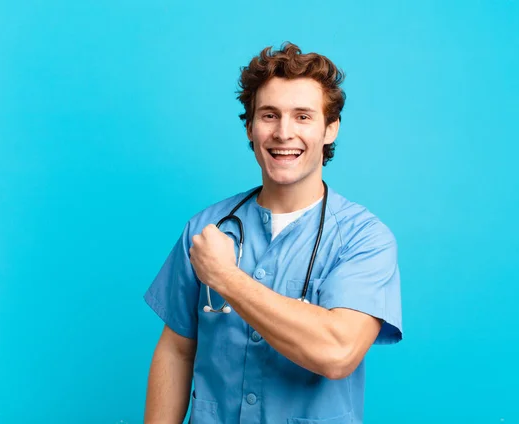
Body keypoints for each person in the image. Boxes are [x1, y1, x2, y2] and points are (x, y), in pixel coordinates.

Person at [143, 42, 403, 424]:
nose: (283, 133)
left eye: (303, 117)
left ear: (330, 129)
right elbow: (177, 350)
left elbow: (337, 353)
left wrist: (226, 278)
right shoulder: (206, 230)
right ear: (249, 126)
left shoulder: (364, 239)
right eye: (269, 115)